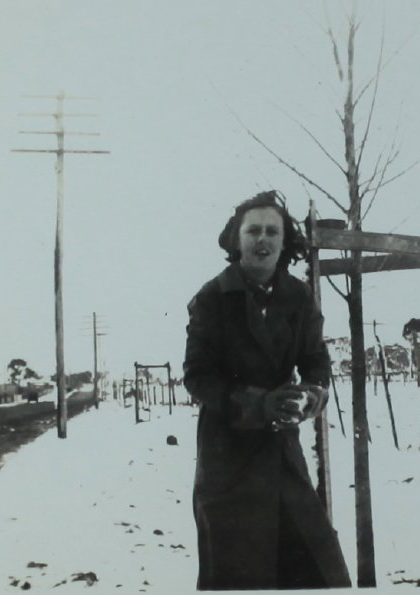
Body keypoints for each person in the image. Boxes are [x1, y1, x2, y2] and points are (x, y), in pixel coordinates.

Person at [183, 191, 351, 590]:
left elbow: (315, 359)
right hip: (228, 457)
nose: (263, 240)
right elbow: (198, 376)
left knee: (318, 568)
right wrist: (259, 405)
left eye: (273, 231)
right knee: (238, 572)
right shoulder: (211, 298)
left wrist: (311, 394)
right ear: (235, 239)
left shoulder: (299, 297)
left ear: (284, 240)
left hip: (281, 455)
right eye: (253, 230)